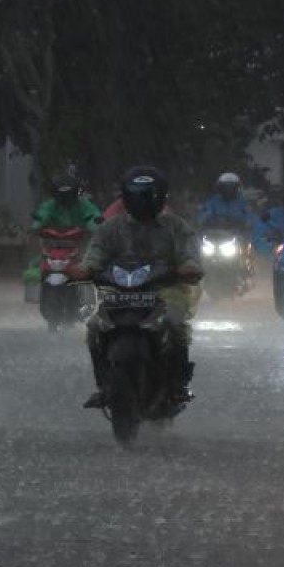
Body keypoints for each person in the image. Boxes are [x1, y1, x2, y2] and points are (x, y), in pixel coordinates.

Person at [81, 166, 203, 409]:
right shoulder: (111, 228)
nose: (142, 201)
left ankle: (178, 384)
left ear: (161, 197)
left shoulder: (176, 227)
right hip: (119, 292)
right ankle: (103, 386)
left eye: (148, 196)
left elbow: (190, 257)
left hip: (166, 290)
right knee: (94, 327)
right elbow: (94, 255)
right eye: (136, 195)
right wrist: (86, 269)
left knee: (173, 324)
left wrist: (188, 268)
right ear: (125, 197)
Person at [30, 175, 102, 232]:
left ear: (74, 193)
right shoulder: (50, 205)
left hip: (80, 240)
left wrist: (94, 228)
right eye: (62, 195)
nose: (66, 198)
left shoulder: (83, 204)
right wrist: (35, 227)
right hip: (54, 241)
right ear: (55, 194)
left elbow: (93, 217)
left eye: (69, 195)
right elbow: (42, 216)